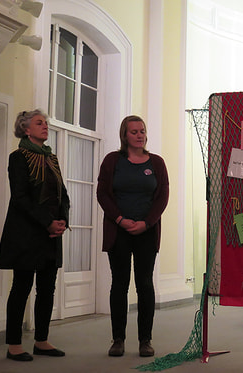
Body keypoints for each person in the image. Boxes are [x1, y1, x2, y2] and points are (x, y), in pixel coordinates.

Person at [0, 110, 69, 362]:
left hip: (51, 235)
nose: (45, 126)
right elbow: (21, 197)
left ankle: (42, 340)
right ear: (26, 129)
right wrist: (47, 222)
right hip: (27, 233)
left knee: (47, 289)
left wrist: (62, 221)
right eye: (39, 123)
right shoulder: (18, 158)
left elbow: (63, 194)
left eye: (46, 123)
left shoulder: (52, 159)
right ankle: (14, 344)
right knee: (21, 288)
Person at [96, 115, 169, 357]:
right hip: (119, 231)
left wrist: (146, 223)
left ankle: (145, 341)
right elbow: (103, 194)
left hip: (146, 232)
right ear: (124, 135)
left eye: (142, 131)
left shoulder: (157, 163)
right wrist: (120, 219)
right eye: (134, 131)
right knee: (119, 284)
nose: (139, 135)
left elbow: (162, 197)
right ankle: (118, 339)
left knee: (145, 284)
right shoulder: (112, 161)